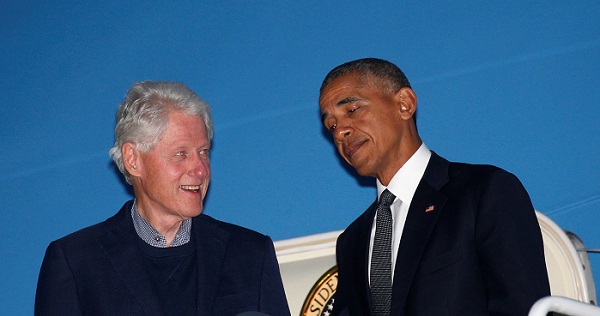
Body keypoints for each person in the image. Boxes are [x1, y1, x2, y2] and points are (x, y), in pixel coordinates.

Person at [35, 81, 290, 316]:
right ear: (133, 159)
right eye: (181, 154)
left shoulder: (250, 254)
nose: (200, 169)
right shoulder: (77, 263)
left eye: (203, 152)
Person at [318, 58, 550, 315]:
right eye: (332, 126)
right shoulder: (352, 241)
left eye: (352, 110)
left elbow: (523, 307)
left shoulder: (484, 192)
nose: (340, 132)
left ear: (404, 104)